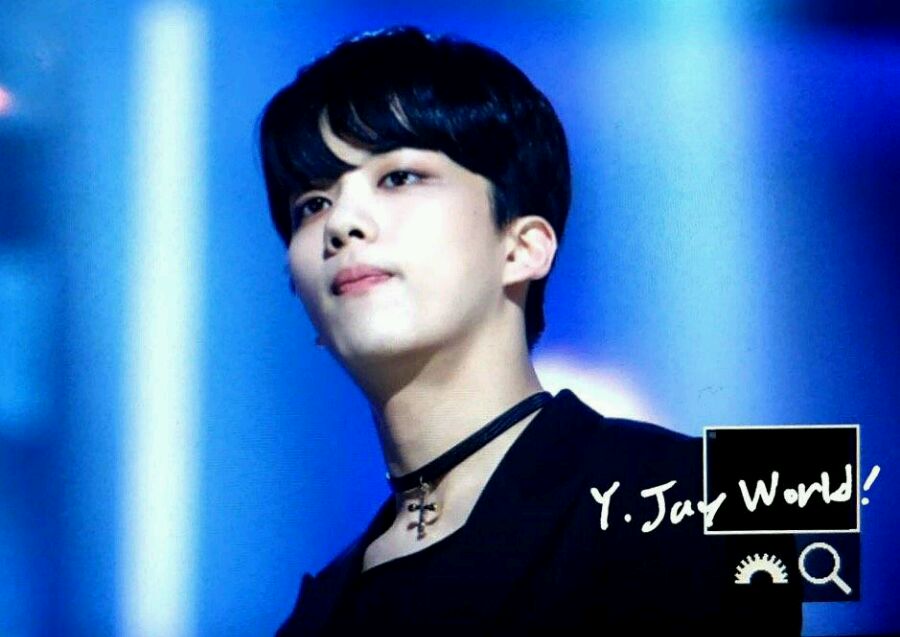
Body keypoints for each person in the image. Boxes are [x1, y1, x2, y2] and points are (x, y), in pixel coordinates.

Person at [258, 26, 803, 635]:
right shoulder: (319, 614)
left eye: (399, 177)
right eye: (312, 204)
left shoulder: (703, 497)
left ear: (523, 247)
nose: (342, 224)